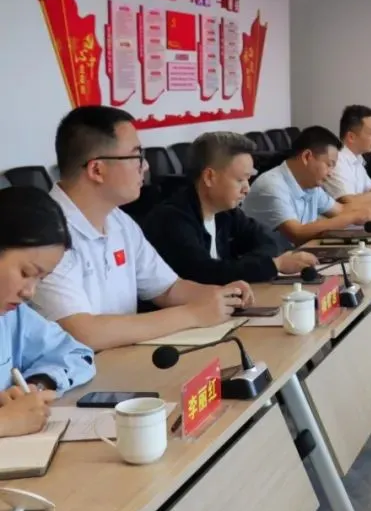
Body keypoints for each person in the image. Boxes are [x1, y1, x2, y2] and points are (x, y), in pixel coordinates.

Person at [33, 107, 255, 352]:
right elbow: (82, 333)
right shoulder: (44, 232)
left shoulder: (119, 221)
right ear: (97, 170)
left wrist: (221, 296)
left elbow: (167, 289)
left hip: (124, 359)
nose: (146, 166)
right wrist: (193, 314)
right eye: (137, 156)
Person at [143, 132, 318, 285]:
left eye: (248, 179)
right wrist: (273, 265)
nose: (247, 188)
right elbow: (204, 274)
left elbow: (270, 241)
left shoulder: (226, 212)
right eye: (240, 180)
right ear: (209, 177)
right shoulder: (171, 219)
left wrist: (243, 266)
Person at [0, 187, 96, 436]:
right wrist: (5, 422)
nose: (29, 292)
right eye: (26, 273)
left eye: (41, 279)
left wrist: (37, 385)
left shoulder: (11, 316)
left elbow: (76, 354)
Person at [243, 126, 371, 247]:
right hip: (268, 263)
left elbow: (341, 210)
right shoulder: (272, 186)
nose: (331, 173)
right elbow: (297, 233)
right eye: (329, 165)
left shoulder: (311, 185)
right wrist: (352, 217)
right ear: (307, 157)